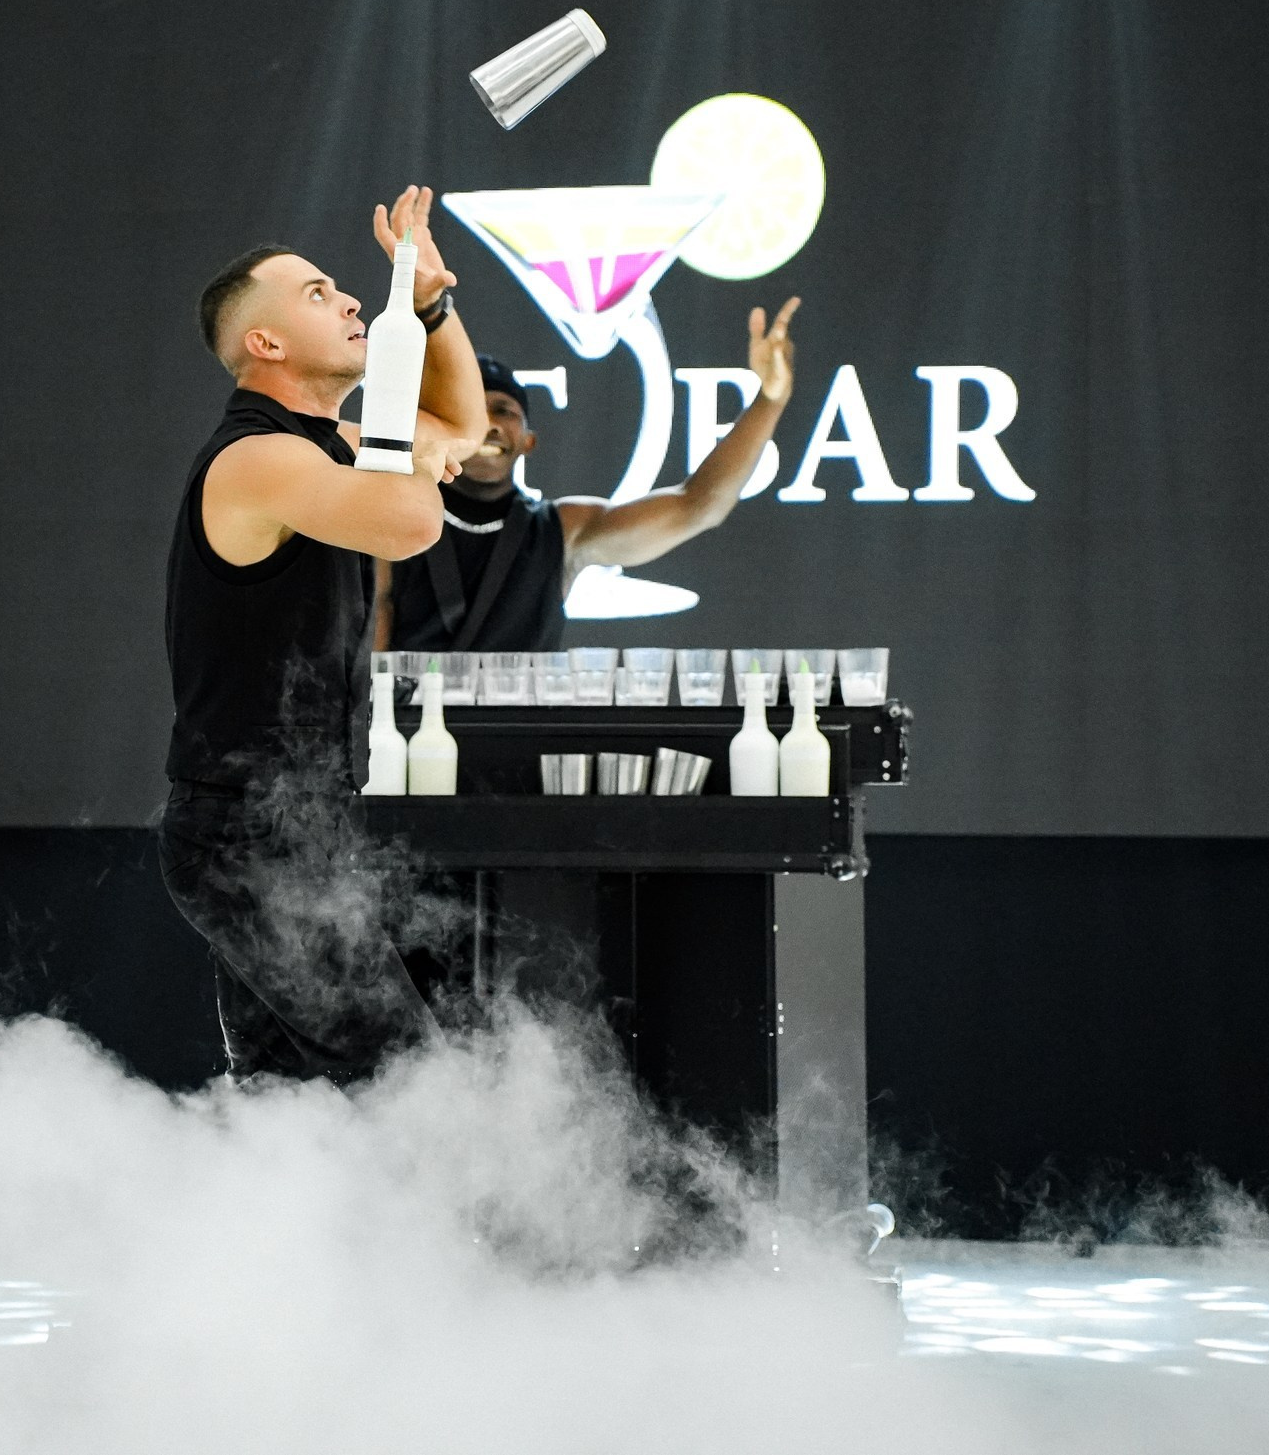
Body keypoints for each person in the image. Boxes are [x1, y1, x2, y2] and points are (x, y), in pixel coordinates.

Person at [160, 186, 490, 1083]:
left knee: (289, 1116)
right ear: (262, 343)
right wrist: (409, 447)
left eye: (346, 289)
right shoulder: (259, 459)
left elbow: (463, 428)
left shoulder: (331, 443)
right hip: (247, 837)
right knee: (407, 1091)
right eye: (316, 294)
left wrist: (428, 304)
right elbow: (411, 522)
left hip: (300, 826)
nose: (349, 299)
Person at [375, 299, 801, 654]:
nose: (489, 424)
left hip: (517, 745)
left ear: (528, 440)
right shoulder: (394, 517)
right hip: (408, 741)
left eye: (504, 410)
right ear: (444, 426)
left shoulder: (562, 530)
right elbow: (366, 645)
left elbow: (699, 506)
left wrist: (770, 398)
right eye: (472, 410)